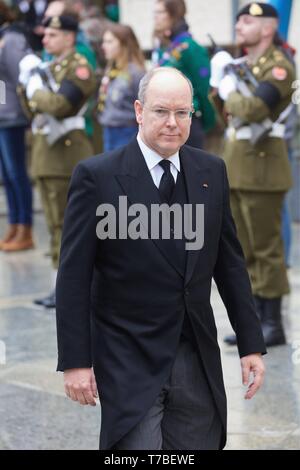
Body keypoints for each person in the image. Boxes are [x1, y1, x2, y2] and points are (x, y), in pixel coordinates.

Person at [56, 66, 266, 450]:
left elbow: (230, 264)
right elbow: (73, 275)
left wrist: (251, 343)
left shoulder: (211, 171)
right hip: (128, 352)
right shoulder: (97, 177)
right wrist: (76, 361)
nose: (173, 123)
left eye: (182, 113)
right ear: (139, 111)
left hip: (194, 352)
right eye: (161, 112)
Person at [211, 3, 295, 347]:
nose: (240, 25)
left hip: (263, 167)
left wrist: (230, 89)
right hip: (238, 164)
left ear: (268, 28)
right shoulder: (244, 66)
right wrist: (219, 87)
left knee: (266, 248)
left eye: (248, 20)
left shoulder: (278, 67)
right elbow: (225, 117)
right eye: (239, 20)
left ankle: (273, 322)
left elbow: (254, 109)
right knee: (244, 248)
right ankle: (256, 318)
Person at [18, 14, 96, 308]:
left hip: (66, 156)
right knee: (53, 225)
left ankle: (74, 289)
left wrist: (34, 90)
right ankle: (59, 286)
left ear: (69, 37)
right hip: (45, 154)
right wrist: (26, 86)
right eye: (45, 35)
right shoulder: (48, 67)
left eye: (52, 35)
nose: (46, 40)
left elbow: (61, 106)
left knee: (68, 226)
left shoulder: (79, 68)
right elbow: (32, 111)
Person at [152, 0, 215, 149]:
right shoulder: (166, 48)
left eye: (160, 12)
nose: (155, 17)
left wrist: (207, 122)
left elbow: (204, 88)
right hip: (165, 122)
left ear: (174, 15)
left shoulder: (190, 48)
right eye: (154, 13)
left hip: (188, 123)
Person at [0, 1, 34, 252]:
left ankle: (26, 226)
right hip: (2, 114)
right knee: (7, 176)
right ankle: (14, 223)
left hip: (10, 115)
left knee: (16, 173)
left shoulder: (11, 39)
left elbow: (17, 79)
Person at [97, 23, 145, 151]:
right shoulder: (111, 70)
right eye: (104, 41)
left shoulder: (136, 74)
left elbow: (144, 106)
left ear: (123, 44)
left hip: (127, 132)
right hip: (108, 130)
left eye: (109, 42)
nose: (103, 46)